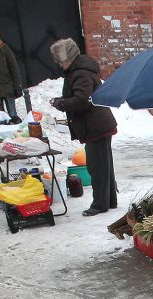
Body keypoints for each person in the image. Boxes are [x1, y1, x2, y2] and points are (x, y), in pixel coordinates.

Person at [49, 38, 118, 217]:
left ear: (68, 58)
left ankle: (99, 204)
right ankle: (108, 201)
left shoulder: (81, 73)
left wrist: (60, 103)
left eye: (61, 61)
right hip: (96, 125)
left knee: (97, 167)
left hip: (96, 126)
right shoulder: (79, 70)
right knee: (103, 166)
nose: (59, 64)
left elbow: (81, 100)